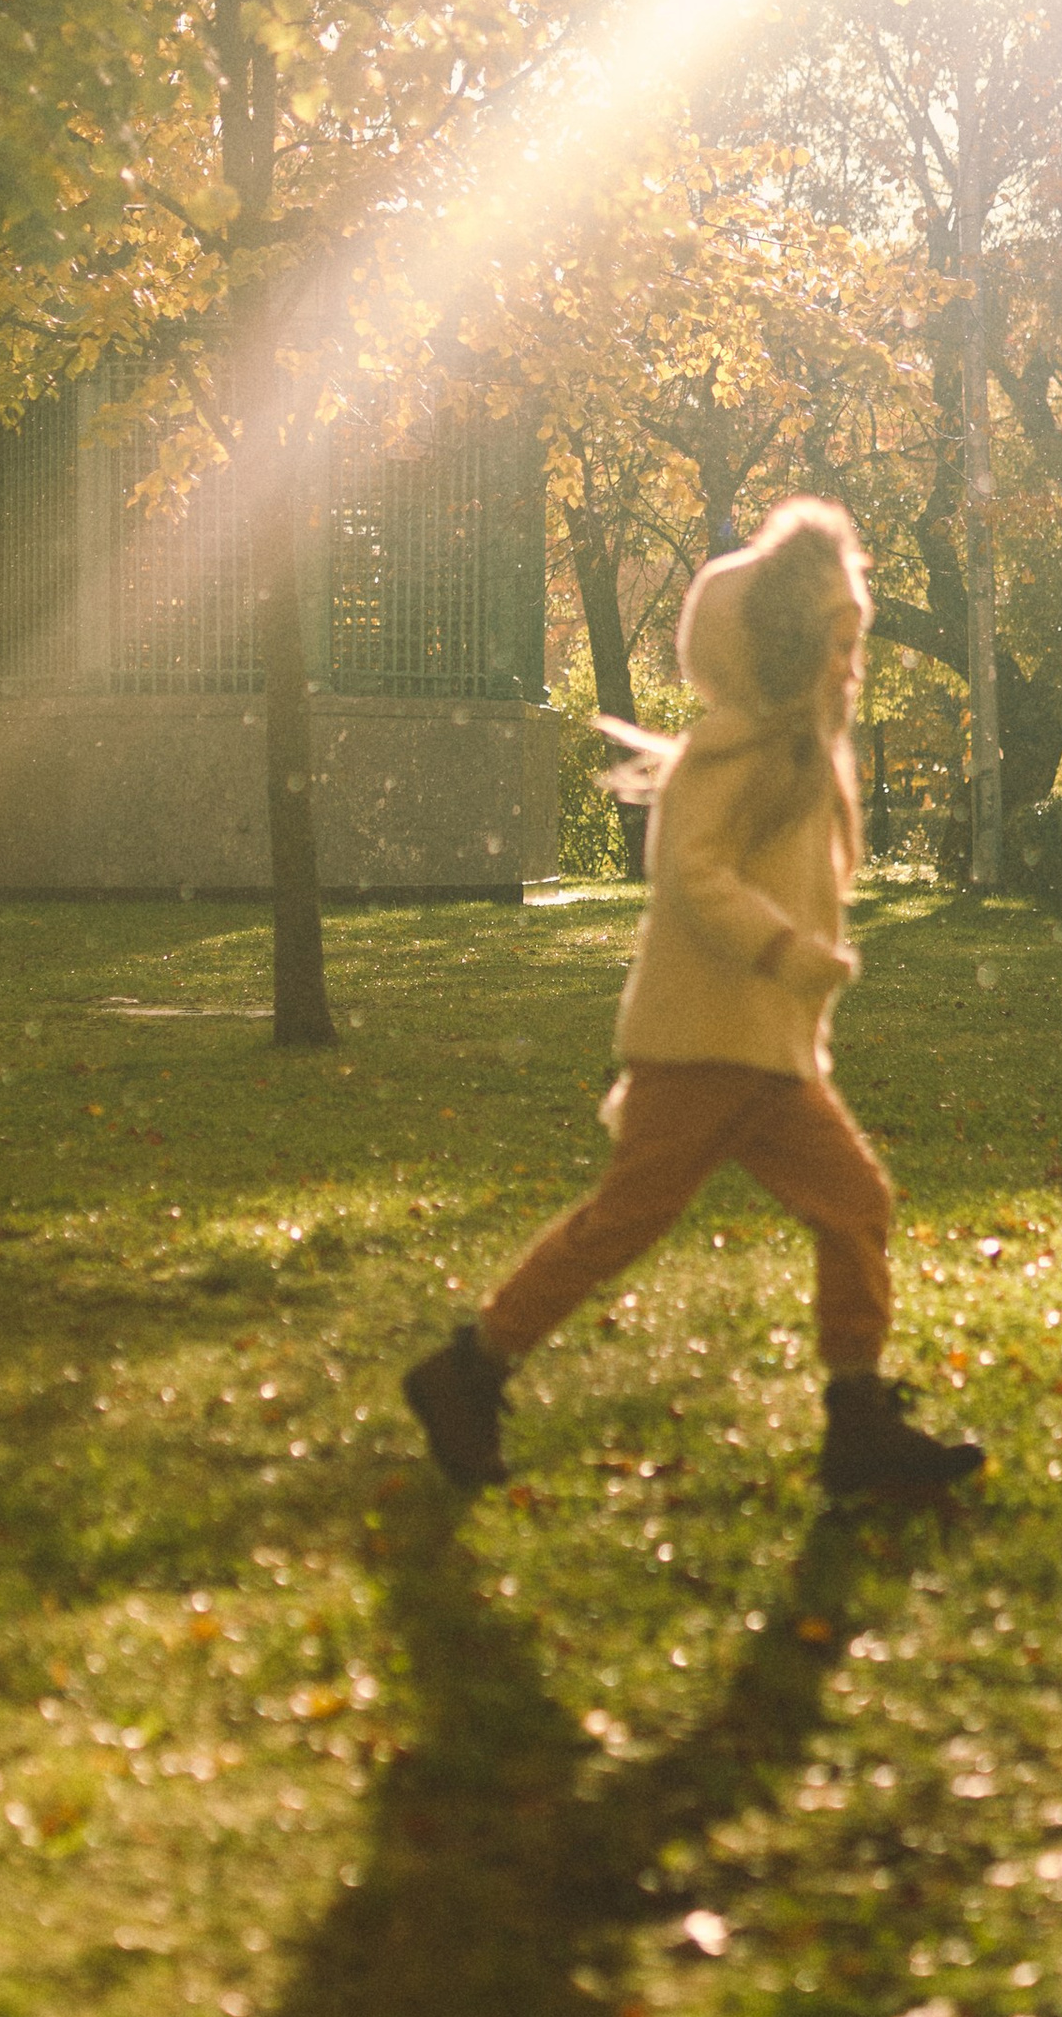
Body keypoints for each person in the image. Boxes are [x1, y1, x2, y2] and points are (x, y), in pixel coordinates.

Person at [403, 499, 984, 1507]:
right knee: (626, 1219)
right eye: (836, 646)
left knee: (854, 1204)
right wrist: (783, 949)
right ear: (782, 649)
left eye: (857, 645)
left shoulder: (795, 751)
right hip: (704, 1045)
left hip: (759, 1055)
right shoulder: (735, 754)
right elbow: (690, 871)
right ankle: (469, 1368)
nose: (852, 665)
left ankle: (856, 1421)